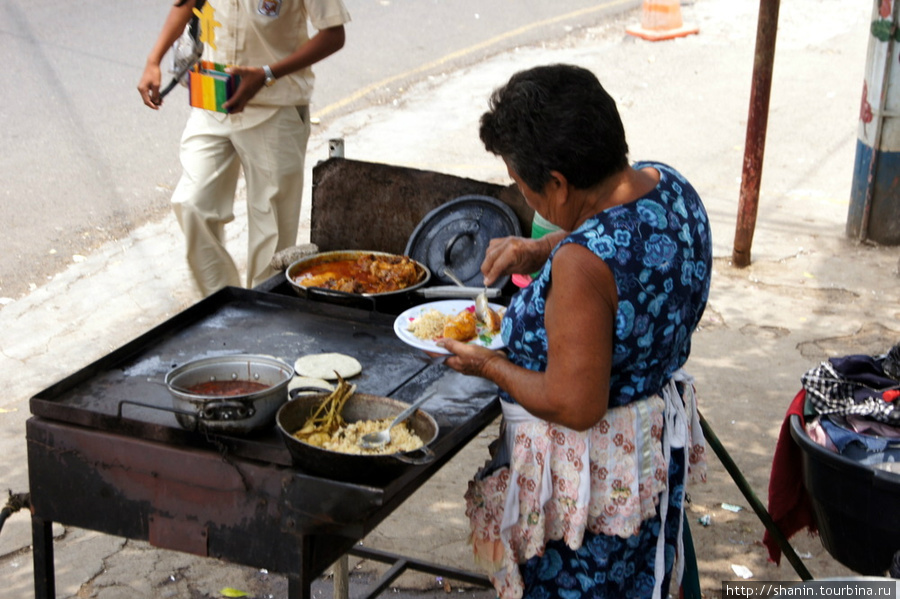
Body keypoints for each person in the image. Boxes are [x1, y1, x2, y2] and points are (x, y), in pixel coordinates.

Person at [437, 64, 713, 599]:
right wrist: (540, 248)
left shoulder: (584, 266)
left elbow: (575, 402)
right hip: (648, 458)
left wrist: (488, 363)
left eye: (521, 184)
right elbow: (617, 237)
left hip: (593, 484)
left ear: (558, 184)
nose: (523, 196)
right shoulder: (669, 185)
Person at [138, 0, 350, 296]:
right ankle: (223, 306)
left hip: (276, 107)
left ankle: (265, 319)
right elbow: (184, 5)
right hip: (213, 100)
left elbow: (333, 34)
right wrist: (153, 60)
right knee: (192, 204)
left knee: (271, 232)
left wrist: (266, 74)